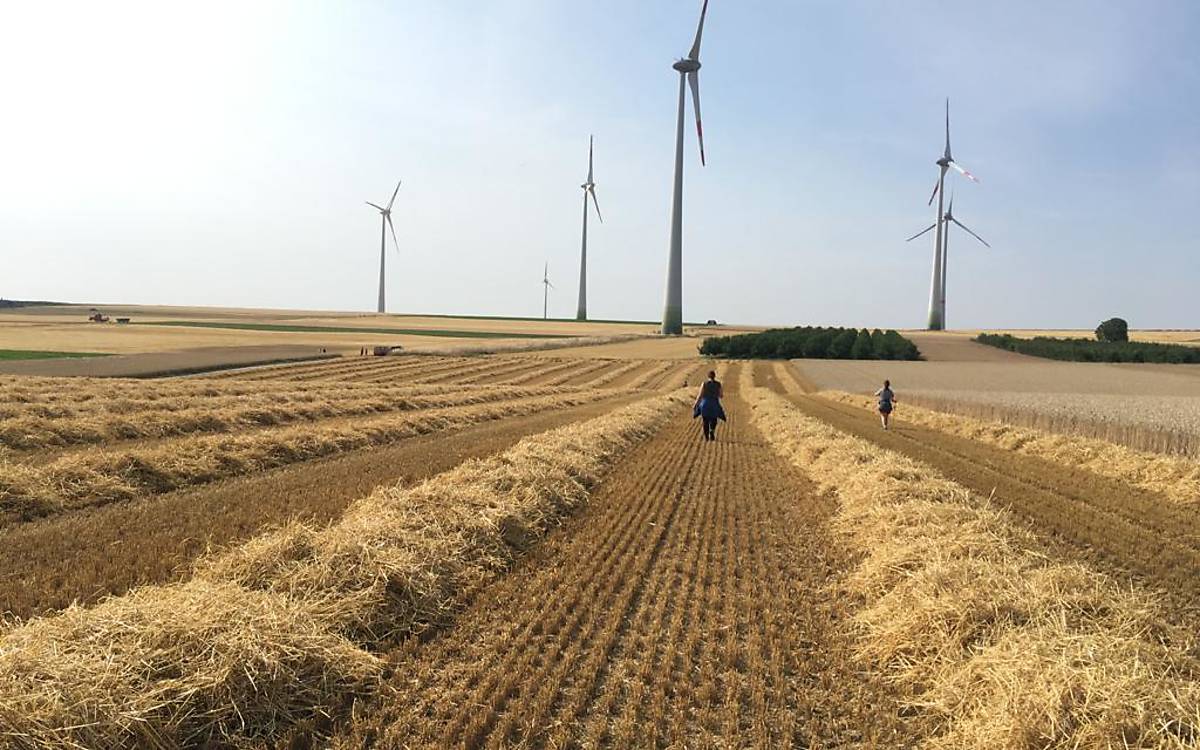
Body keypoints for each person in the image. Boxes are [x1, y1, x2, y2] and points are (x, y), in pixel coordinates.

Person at [693, 370, 726, 442]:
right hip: (714, 403)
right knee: (714, 419)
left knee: (705, 421)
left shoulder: (704, 384)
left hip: (705, 404)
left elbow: (700, 395)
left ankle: (706, 437)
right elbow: (721, 395)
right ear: (714, 376)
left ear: (708, 376)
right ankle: (712, 430)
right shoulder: (718, 384)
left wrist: (696, 404)